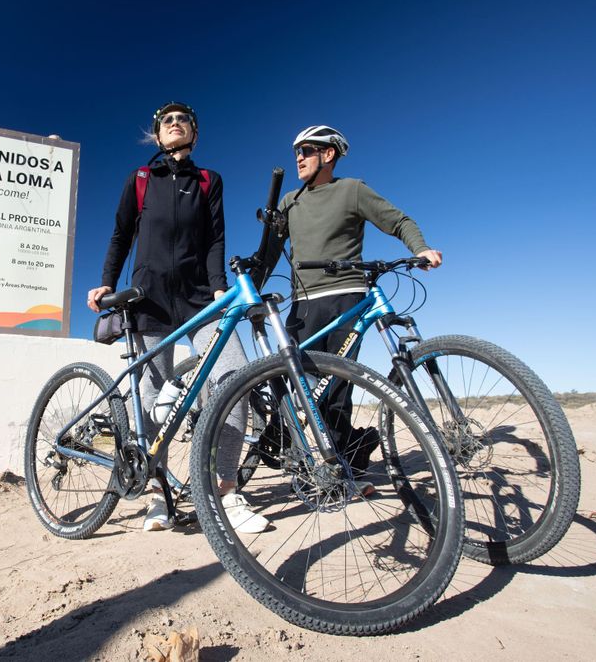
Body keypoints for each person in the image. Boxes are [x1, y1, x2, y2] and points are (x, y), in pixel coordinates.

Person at [87, 102, 268, 533]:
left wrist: (219, 286)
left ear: (194, 133)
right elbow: (121, 234)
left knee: (233, 378)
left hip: (200, 297)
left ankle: (226, 489)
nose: (174, 124)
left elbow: (215, 238)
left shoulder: (209, 181)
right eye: (166, 120)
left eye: (181, 119)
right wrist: (107, 282)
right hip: (147, 299)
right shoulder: (141, 179)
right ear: (156, 133)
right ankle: (158, 495)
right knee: (151, 395)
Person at [278, 125, 443, 493]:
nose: (299, 158)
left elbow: (397, 220)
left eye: (306, 150)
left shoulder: (352, 190)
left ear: (329, 154)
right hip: (302, 303)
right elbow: (269, 252)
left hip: (346, 296)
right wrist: (250, 295)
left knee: (334, 387)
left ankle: (341, 470)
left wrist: (420, 247)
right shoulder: (289, 201)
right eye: (296, 153)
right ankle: (347, 448)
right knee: (298, 386)